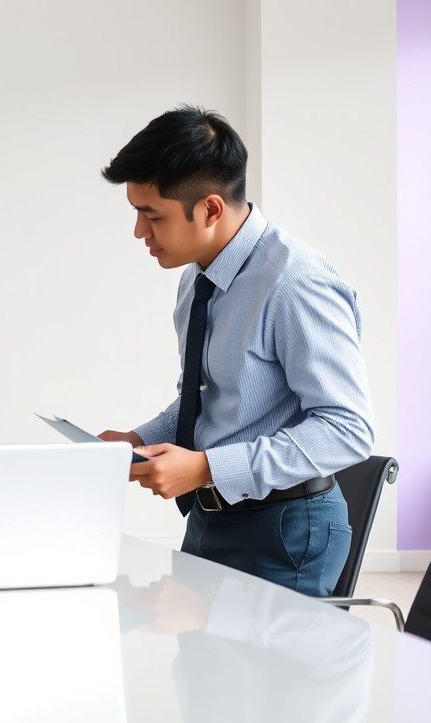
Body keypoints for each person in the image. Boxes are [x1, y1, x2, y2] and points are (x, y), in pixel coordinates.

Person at [98, 105, 374, 597]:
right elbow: (204, 402)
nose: (140, 232)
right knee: (199, 671)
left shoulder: (295, 284)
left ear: (209, 208)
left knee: (252, 674)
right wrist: (135, 440)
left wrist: (205, 468)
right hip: (211, 517)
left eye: (151, 215)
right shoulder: (196, 279)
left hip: (287, 533)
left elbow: (348, 430)